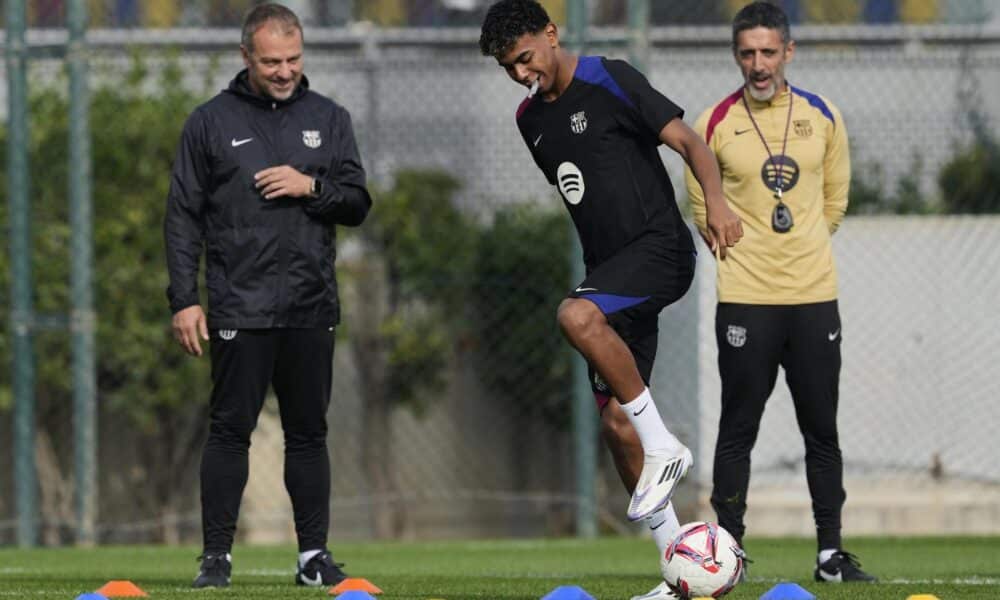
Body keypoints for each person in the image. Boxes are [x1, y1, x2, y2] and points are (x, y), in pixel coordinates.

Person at [480, 2, 743, 598]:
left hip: (660, 253)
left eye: (525, 58)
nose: (521, 74)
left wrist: (718, 204)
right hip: (613, 278)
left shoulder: (610, 77)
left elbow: (690, 144)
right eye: (508, 68)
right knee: (617, 425)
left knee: (575, 315)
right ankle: (683, 574)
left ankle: (665, 444)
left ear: (551, 34)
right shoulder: (530, 121)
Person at [164, 3, 372, 589]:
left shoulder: (330, 119)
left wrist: (312, 187)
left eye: (293, 59)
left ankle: (313, 559)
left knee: (309, 433)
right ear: (246, 57)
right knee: (230, 430)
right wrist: (185, 298)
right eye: (271, 61)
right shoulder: (209, 122)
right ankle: (215, 560)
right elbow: (182, 217)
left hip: (310, 304)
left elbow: (357, 203)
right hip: (238, 305)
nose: (284, 71)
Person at [684, 1, 876, 584]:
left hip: (815, 296)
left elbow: (835, 201)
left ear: (788, 52)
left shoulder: (824, 116)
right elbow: (701, 205)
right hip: (746, 298)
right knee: (738, 426)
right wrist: (752, 257)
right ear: (736, 55)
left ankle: (830, 555)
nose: (758, 64)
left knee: (822, 427)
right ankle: (727, 556)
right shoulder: (714, 121)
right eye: (747, 53)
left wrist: (799, 250)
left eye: (769, 52)